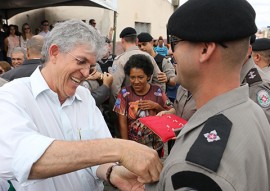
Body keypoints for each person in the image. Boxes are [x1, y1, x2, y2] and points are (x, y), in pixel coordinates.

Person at [0, 19, 162, 191]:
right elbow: (23, 159)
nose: (86, 73)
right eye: (81, 61)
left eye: (90, 65)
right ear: (54, 52)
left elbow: (98, 159)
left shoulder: (84, 96)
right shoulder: (12, 97)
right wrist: (119, 148)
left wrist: (112, 172)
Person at [147, 0, 270, 190]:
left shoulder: (195, 168)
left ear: (205, 50)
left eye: (176, 42)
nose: (172, 51)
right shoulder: (253, 112)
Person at [113, 54, 175, 157]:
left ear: (149, 77)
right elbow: (122, 123)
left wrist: (156, 106)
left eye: (140, 77)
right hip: (134, 146)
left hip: (155, 147)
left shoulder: (157, 91)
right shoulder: (124, 93)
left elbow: (172, 111)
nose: (136, 81)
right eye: (132, 77)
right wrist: (127, 147)